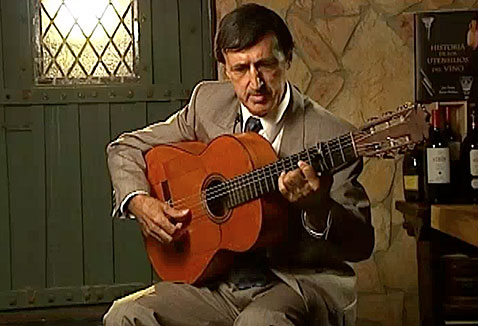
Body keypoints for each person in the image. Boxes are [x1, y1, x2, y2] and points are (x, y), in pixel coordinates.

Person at [104, 3, 374, 326]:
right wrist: (139, 202)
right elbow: (125, 148)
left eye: (265, 65)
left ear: (287, 59)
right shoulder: (208, 104)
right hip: (222, 281)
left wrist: (317, 208)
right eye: (240, 69)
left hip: (298, 281)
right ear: (225, 69)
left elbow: (361, 244)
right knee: (126, 315)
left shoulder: (332, 135)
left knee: (259, 323)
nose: (254, 82)